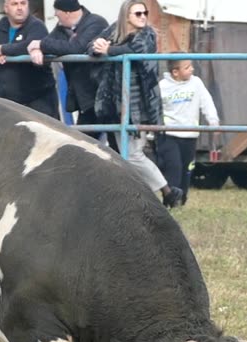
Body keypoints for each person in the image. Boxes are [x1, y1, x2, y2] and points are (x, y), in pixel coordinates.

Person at [92, 1, 183, 208]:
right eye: (138, 13)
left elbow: (136, 49)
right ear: (127, 16)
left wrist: (109, 50)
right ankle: (137, 198)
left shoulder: (148, 34)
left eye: (145, 13)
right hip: (114, 104)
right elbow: (92, 45)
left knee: (133, 154)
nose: (143, 16)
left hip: (139, 105)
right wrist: (98, 48)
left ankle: (167, 191)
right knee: (123, 154)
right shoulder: (114, 29)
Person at [29, 0, 107, 127]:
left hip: (101, 93)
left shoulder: (96, 23)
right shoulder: (62, 28)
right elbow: (48, 41)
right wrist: (37, 48)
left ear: (67, 13)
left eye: (57, 11)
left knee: (111, 136)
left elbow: (77, 47)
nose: (55, 15)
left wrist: (41, 45)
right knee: (86, 138)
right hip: (85, 97)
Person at [156, 59, 218, 205]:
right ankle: (170, 200)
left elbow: (206, 101)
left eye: (191, 66)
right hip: (169, 135)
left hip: (190, 135)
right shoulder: (163, 86)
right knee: (173, 168)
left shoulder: (196, 83)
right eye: (187, 67)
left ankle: (182, 200)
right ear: (175, 72)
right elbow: (156, 109)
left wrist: (213, 120)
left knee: (186, 169)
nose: (191, 69)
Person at [0, 0, 56, 117]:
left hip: (38, 99)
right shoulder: (2, 24)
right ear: (6, 8)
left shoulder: (36, 25)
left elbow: (29, 45)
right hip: (8, 100)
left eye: (23, 3)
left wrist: (2, 49)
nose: (19, 7)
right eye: (15, 4)